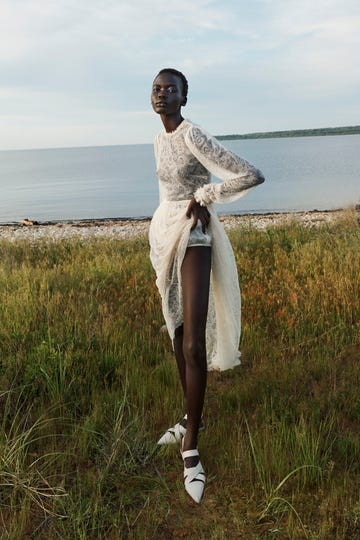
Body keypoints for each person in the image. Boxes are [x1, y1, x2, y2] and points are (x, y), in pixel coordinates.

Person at [149, 68, 265, 503]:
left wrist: (206, 197)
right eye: (157, 89)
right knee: (177, 334)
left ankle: (191, 445)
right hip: (165, 237)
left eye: (170, 90)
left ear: (184, 96)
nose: (162, 95)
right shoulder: (158, 139)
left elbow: (250, 173)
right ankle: (185, 415)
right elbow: (167, 191)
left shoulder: (192, 133)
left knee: (195, 343)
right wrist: (171, 217)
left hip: (196, 237)